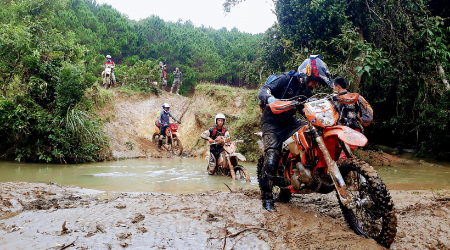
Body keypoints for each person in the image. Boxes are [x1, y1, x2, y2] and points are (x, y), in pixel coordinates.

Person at [257, 55, 333, 212]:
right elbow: (264, 90)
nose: (314, 85)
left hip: (290, 122)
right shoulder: (285, 79)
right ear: (305, 74)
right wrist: (271, 99)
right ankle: (267, 198)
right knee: (271, 160)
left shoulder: (306, 90)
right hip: (272, 123)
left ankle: (306, 168)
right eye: (313, 81)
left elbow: (309, 109)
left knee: (313, 131)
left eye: (316, 83)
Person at [333, 77, 366, 160]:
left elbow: (352, 118)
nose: (333, 88)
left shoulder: (349, 98)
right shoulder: (338, 98)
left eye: (334, 86)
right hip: (344, 132)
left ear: (338, 87)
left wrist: (346, 132)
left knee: (342, 158)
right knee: (339, 156)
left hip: (352, 131)